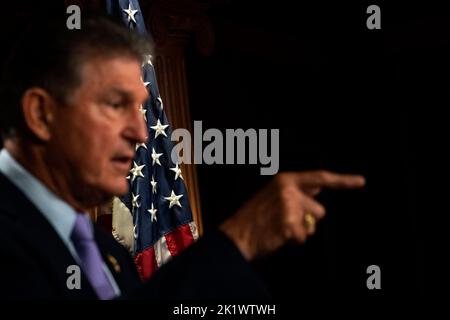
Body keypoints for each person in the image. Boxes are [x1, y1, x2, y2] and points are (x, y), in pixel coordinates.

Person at [0, 17, 365, 299]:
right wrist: (240, 239)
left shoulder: (105, 249)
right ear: (41, 113)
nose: (140, 133)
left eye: (141, 111)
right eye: (116, 104)